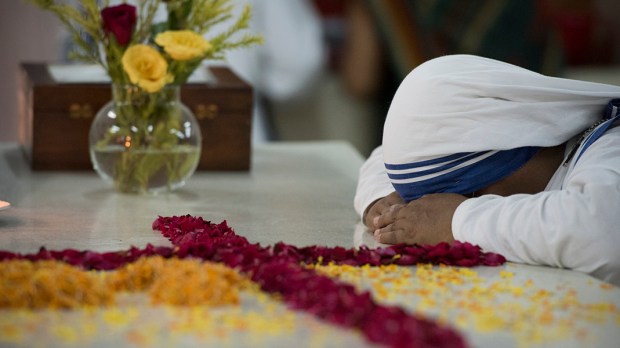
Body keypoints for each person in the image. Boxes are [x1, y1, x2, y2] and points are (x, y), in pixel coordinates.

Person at [354, 55, 620, 285]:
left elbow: (601, 234)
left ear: (504, 166)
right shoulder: (507, 145)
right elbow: (382, 156)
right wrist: (383, 203)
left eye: (460, 197)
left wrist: (457, 219)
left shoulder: (610, 147)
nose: (431, 209)